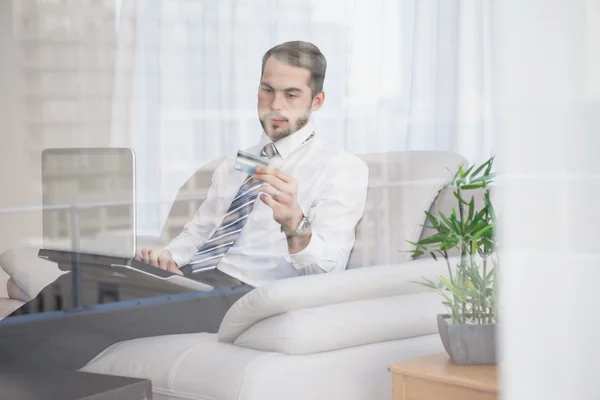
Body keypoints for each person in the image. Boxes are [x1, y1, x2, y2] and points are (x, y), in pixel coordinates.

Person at [137, 40, 369, 288]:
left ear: (317, 101)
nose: (275, 105)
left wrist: (295, 225)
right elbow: (199, 233)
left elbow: (328, 275)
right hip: (194, 282)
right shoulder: (236, 164)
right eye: (267, 90)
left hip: (253, 294)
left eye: (291, 94)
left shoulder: (341, 168)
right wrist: (167, 258)